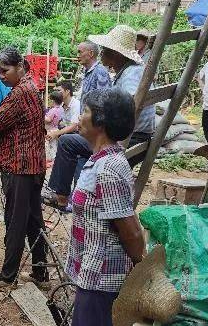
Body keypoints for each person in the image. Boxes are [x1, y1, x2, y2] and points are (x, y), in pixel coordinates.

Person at [65, 88, 145, 326]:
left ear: (100, 121)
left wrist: (142, 268)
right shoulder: (99, 160)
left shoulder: (108, 169)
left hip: (100, 278)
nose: (80, 116)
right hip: (101, 274)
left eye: (85, 111)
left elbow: (130, 229)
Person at [48, 25, 155, 211]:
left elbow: (125, 104)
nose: (102, 53)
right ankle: (70, 196)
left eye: (105, 49)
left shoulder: (132, 73)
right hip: (127, 134)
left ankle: (61, 197)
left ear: (116, 53)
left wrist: (94, 122)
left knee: (67, 142)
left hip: (128, 137)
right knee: (75, 144)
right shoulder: (129, 71)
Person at [0, 48, 48, 288]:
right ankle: (41, 273)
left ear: (20, 66)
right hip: (33, 165)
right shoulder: (30, 87)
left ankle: (7, 275)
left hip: (20, 166)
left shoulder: (20, 92)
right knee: (33, 221)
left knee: (16, 221)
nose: (1, 76)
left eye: (5, 71)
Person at [77, 40, 112, 106]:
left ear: (91, 54)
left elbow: (103, 102)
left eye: (80, 52)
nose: (78, 56)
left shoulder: (100, 71)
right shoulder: (88, 71)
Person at [45, 90, 64, 162]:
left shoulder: (53, 110)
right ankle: (54, 159)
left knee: (49, 146)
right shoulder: (61, 109)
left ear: (53, 100)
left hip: (50, 130)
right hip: (56, 129)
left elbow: (49, 120)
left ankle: (51, 160)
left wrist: (42, 117)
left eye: (50, 99)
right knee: (54, 145)